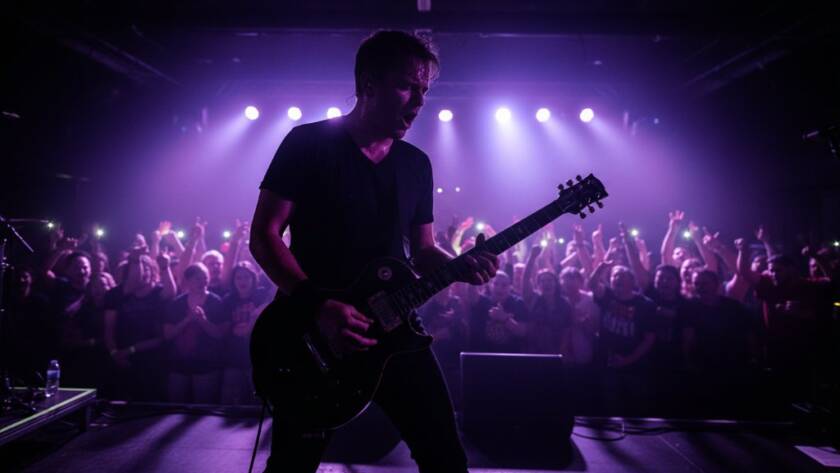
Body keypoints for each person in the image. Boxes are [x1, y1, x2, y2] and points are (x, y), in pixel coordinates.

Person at [249, 30, 498, 473]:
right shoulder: (308, 144)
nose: (418, 102)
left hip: (395, 330)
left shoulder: (416, 164)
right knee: (292, 465)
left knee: (445, 457)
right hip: (310, 333)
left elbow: (423, 253)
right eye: (407, 85)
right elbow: (265, 234)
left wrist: (458, 267)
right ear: (368, 83)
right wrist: (319, 307)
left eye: (424, 90)